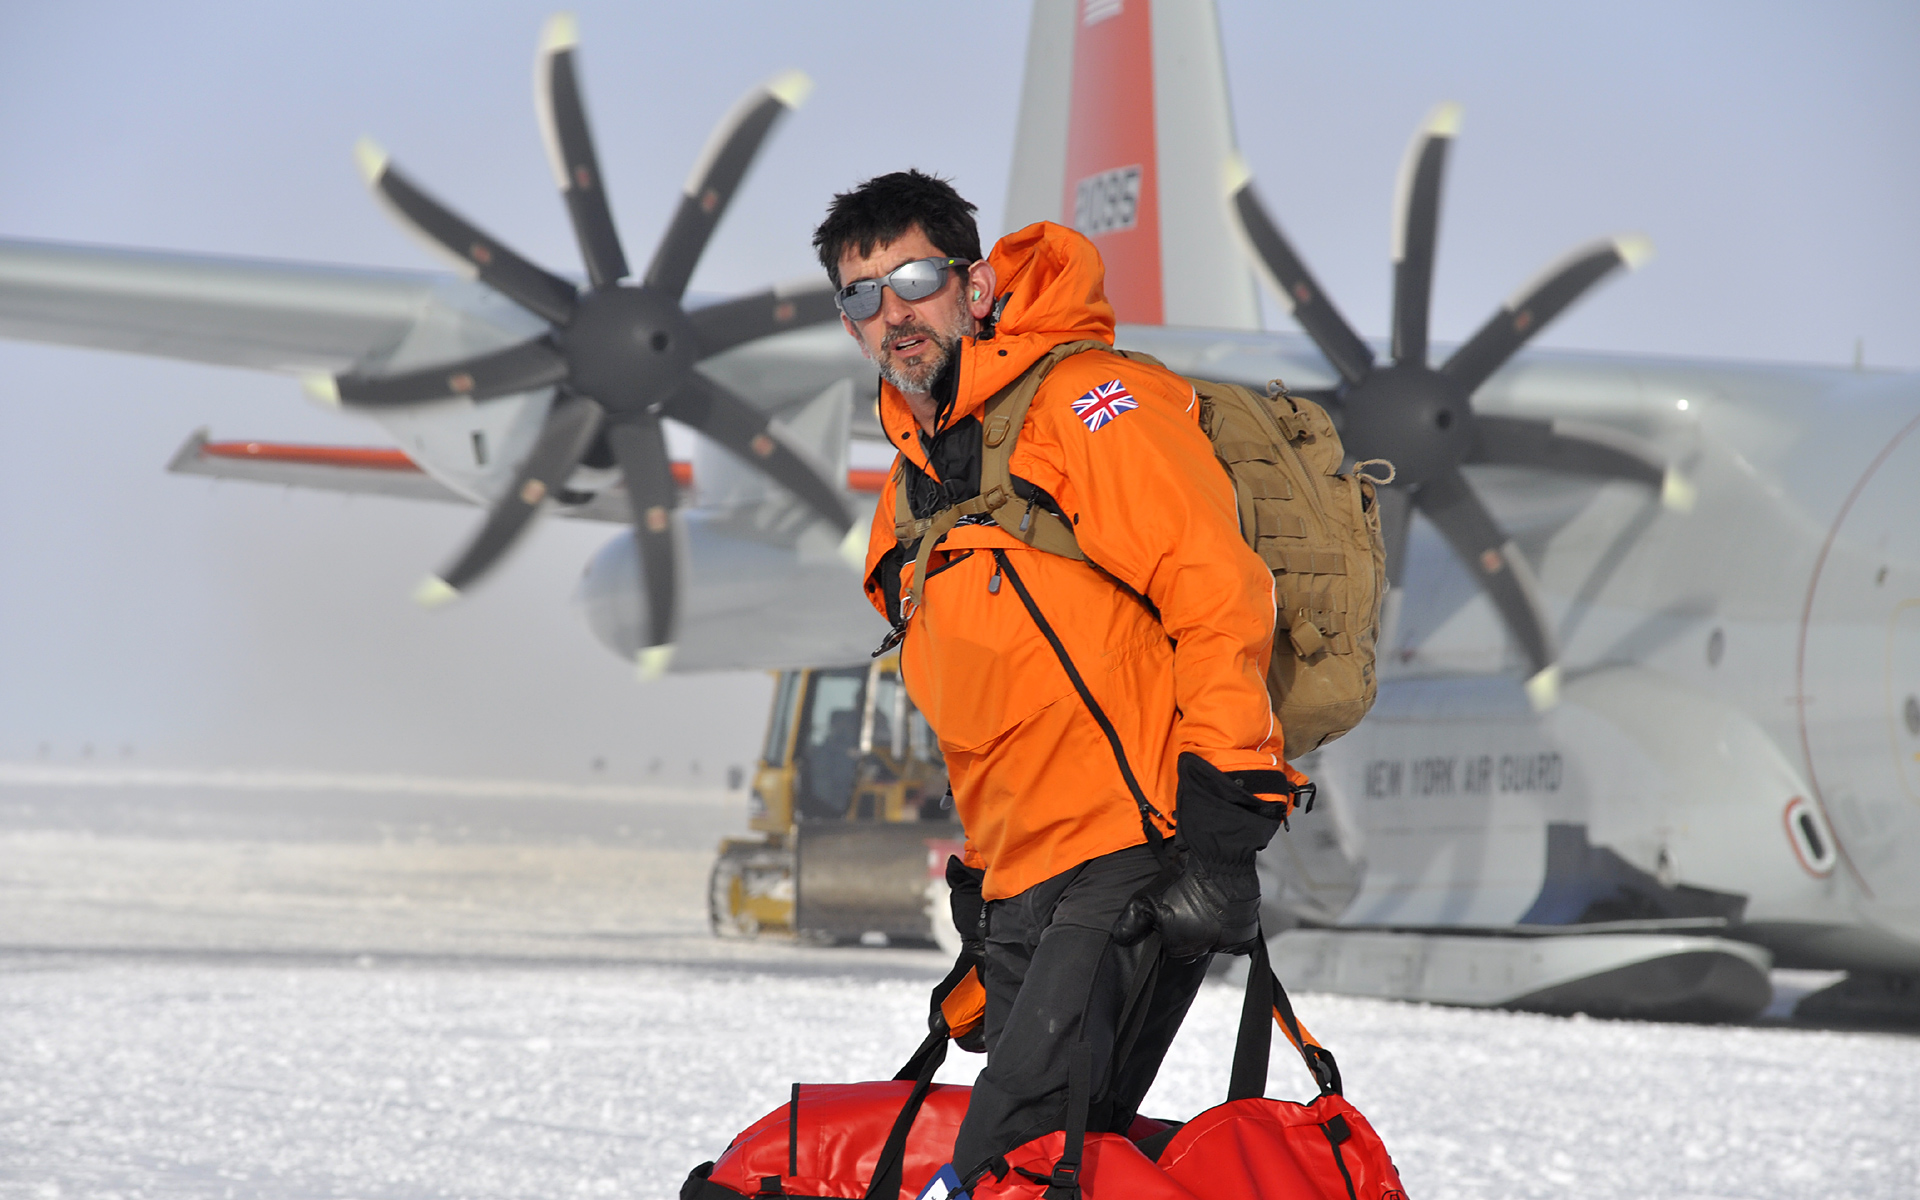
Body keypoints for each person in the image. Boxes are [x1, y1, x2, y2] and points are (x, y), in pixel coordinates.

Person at [812, 170, 1307, 1181]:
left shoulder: (1084, 403)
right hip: (1025, 882)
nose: (893, 313)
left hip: (1134, 851)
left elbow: (1215, 588)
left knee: (1014, 1159)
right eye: (862, 295)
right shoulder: (913, 486)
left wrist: (1227, 814)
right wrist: (985, 883)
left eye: (915, 279)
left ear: (975, 284)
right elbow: (992, 692)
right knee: (1069, 1162)